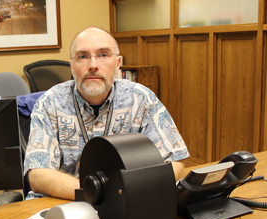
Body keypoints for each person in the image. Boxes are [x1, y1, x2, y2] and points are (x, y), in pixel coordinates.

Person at [23, 27, 189, 200]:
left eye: (103, 55)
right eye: (83, 56)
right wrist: (102, 194)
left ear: (117, 64)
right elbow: (38, 176)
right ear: (72, 66)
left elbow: (175, 161)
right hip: (64, 204)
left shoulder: (141, 98)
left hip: (127, 203)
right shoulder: (50, 103)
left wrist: (131, 192)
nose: (93, 65)